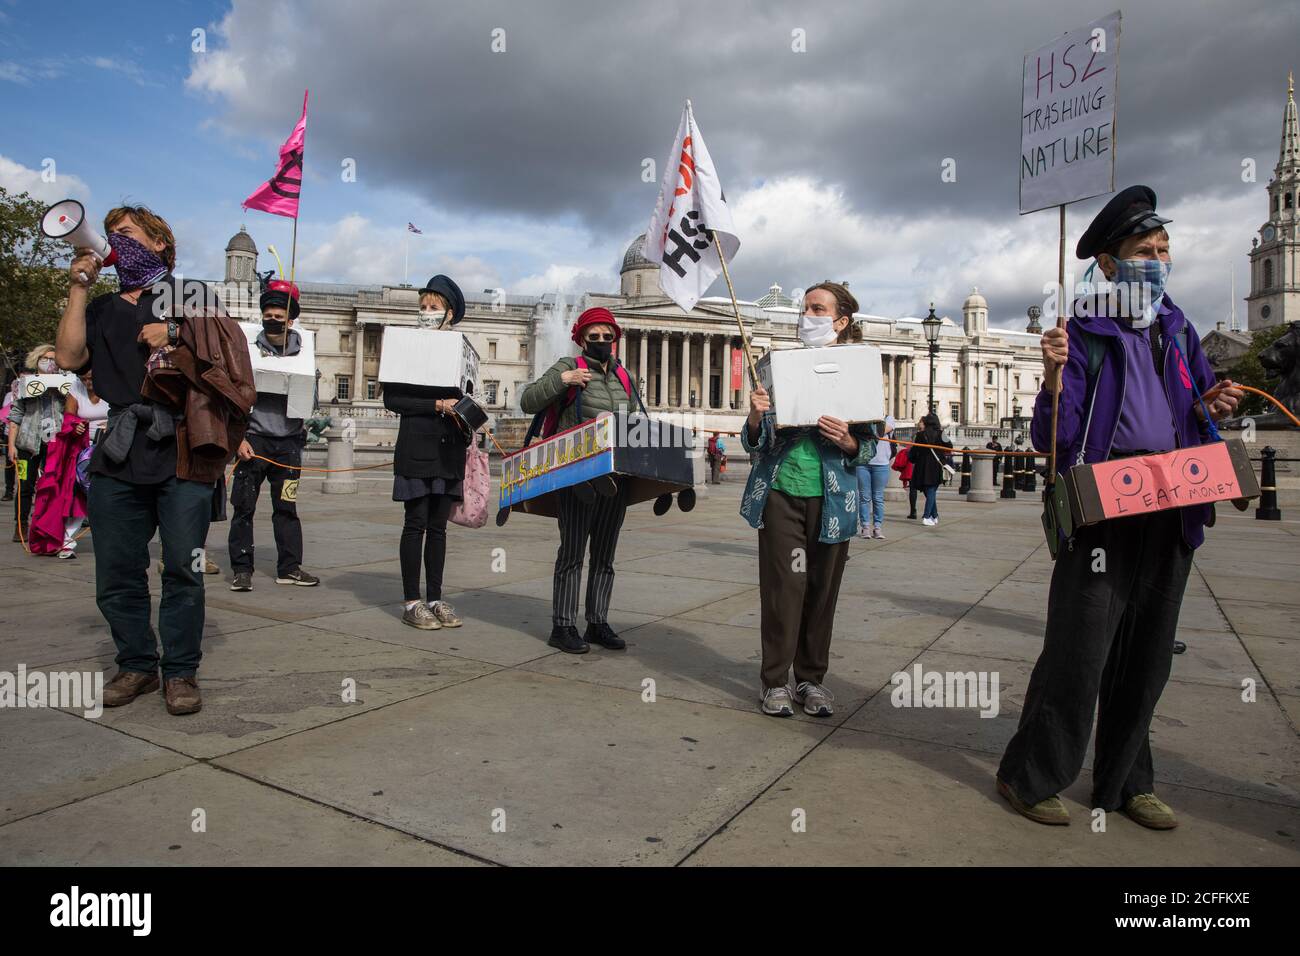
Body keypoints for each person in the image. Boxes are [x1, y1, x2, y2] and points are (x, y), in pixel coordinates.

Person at [996, 185, 1242, 830]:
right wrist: (1051, 378)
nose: (1158, 261)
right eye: (1143, 250)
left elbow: (1191, 404)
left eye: (1164, 250)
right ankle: (1032, 777)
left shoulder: (1178, 326)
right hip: (1105, 508)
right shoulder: (1080, 332)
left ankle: (1128, 780)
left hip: (1176, 505)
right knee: (1079, 652)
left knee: (1148, 653)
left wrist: (1211, 407)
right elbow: (1054, 434)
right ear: (1108, 263)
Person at [55, 204, 255, 717]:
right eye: (109, 235)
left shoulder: (189, 295)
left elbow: (229, 353)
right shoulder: (100, 307)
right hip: (121, 447)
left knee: (184, 567)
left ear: (160, 243)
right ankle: (137, 664)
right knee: (117, 567)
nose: (115, 241)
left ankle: (181, 671)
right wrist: (78, 288)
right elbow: (70, 358)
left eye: (126, 233)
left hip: (182, 445)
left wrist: (178, 334)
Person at [739, 282, 877, 717]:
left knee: (821, 591)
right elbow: (754, 443)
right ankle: (775, 682)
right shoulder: (775, 364)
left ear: (840, 320)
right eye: (804, 309)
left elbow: (871, 446)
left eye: (817, 309)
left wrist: (850, 441)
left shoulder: (860, 369)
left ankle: (812, 681)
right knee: (785, 588)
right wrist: (757, 414)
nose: (806, 316)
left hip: (834, 500)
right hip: (781, 493)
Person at [519, 306, 644, 654]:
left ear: (615, 339)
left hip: (616, 474)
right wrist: (563, 382)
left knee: (605, 554)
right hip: (577, 474)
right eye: (594, 337)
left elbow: (636, 421)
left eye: (608, 336)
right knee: (572, 551)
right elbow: (528, 400)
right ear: (581, 338)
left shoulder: (624, 376)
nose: (602, 342)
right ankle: (562, 626)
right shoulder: (568, 366)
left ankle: (597, 622)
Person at [383, 275, 470, 630]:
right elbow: (393, 399)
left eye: (434, 307)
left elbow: (468, 396)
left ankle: (434, 598)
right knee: (414, 524)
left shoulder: (462, 353)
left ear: (449, 314)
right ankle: (411, 601)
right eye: (423, 307)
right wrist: (435, 404)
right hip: (416, 446)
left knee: (438, 528)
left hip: (449, 449)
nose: (426, 313)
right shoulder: (406, 348)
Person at [228, 279, 320, 591]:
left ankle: (290, 567)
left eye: (279, 316)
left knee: (287, 508)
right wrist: (238, 438)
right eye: (268, 314)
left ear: (291, 321)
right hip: (254, 439)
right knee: (244, 507)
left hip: (288, 443)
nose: (273, 319)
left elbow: (310, 402)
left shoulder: (304, 355)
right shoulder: (248, 351)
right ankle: (242, 569)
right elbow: (234, 398)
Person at [7, 344, 65, 545]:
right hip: (28, 443)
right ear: (37, 360)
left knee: (52, 486)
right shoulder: (23, 383)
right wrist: (11, 445)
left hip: (54, 442)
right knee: (25, 486)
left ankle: (47, 525)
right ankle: (21, 524)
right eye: (45, 358)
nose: (49, 362)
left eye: (53, 359)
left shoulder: (64, 383)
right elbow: (15, 415)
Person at [47, 370, 109, 558]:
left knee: (109, 497)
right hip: (82, 451)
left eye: (92, 378)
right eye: (84, 379)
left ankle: (111, 541)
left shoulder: (112, 388)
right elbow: (68, 417)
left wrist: (112, 424)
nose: (88, 382)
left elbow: (125, 412)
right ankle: (67, 541)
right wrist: (75, 425)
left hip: (111, 449)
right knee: (77, 495)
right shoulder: (76, 388)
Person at [907, 414, 952, 526]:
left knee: (929, 491)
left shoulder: (920, 434)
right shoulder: (941, 434)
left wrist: (912, 460)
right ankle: (926, 516)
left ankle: (934, 515)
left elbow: (914, 451)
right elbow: (950, 446)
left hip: (922, 466)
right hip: (936, 466)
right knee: (931, 490)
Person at [857, 413, 895, 538]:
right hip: (863, 462)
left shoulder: (888, 418)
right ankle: (865, 527)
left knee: (878, 497)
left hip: (881, 463)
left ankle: (877, 527)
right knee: (864, 497)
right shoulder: (863, 416)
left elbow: (882, 431)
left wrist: (866, 430)